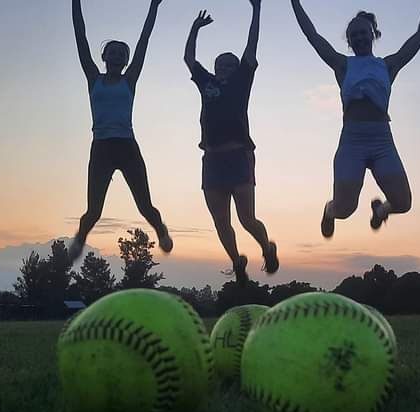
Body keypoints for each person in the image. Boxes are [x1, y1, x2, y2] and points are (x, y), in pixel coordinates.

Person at [290, 0, 420, 239]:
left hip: (382, 140)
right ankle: (328, 210)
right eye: (353, 35)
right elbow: (312, 35)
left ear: (373, 34)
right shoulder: (342, 65)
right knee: (344, 209)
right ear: (349, 40)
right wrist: (294, 3)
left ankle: (380, 210)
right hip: (352, 141)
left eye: (363, 32)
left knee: (402, 202)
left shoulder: (388, 65)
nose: (359, 37)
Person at [68, 0, 172, 261]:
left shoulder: (129, 80)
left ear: (126, 61)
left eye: (121, 54)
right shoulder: (94, 79)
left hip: (127, 147)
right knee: (93, 211)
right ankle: (80, 238)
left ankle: (160, 229)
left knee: (145, 206)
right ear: (104, 57)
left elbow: (144, 40)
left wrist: (154, 7)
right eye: (111, 52)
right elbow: (80, 36)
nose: (116, 55)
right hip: (101, 147)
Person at [184, 2, 278, 283]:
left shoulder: (241, 82)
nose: (225, 67)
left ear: (238, 69)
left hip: (238, 156)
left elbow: (252, 46)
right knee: (220, 221)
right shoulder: (206, 82)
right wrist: (194, 29)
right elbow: (189, 58)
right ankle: (237, 263)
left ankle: (267, 248)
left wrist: (256, 10)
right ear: (215, 68)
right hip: (212, 159)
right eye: (221, 64)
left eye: (230, 64)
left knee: (247, 218)